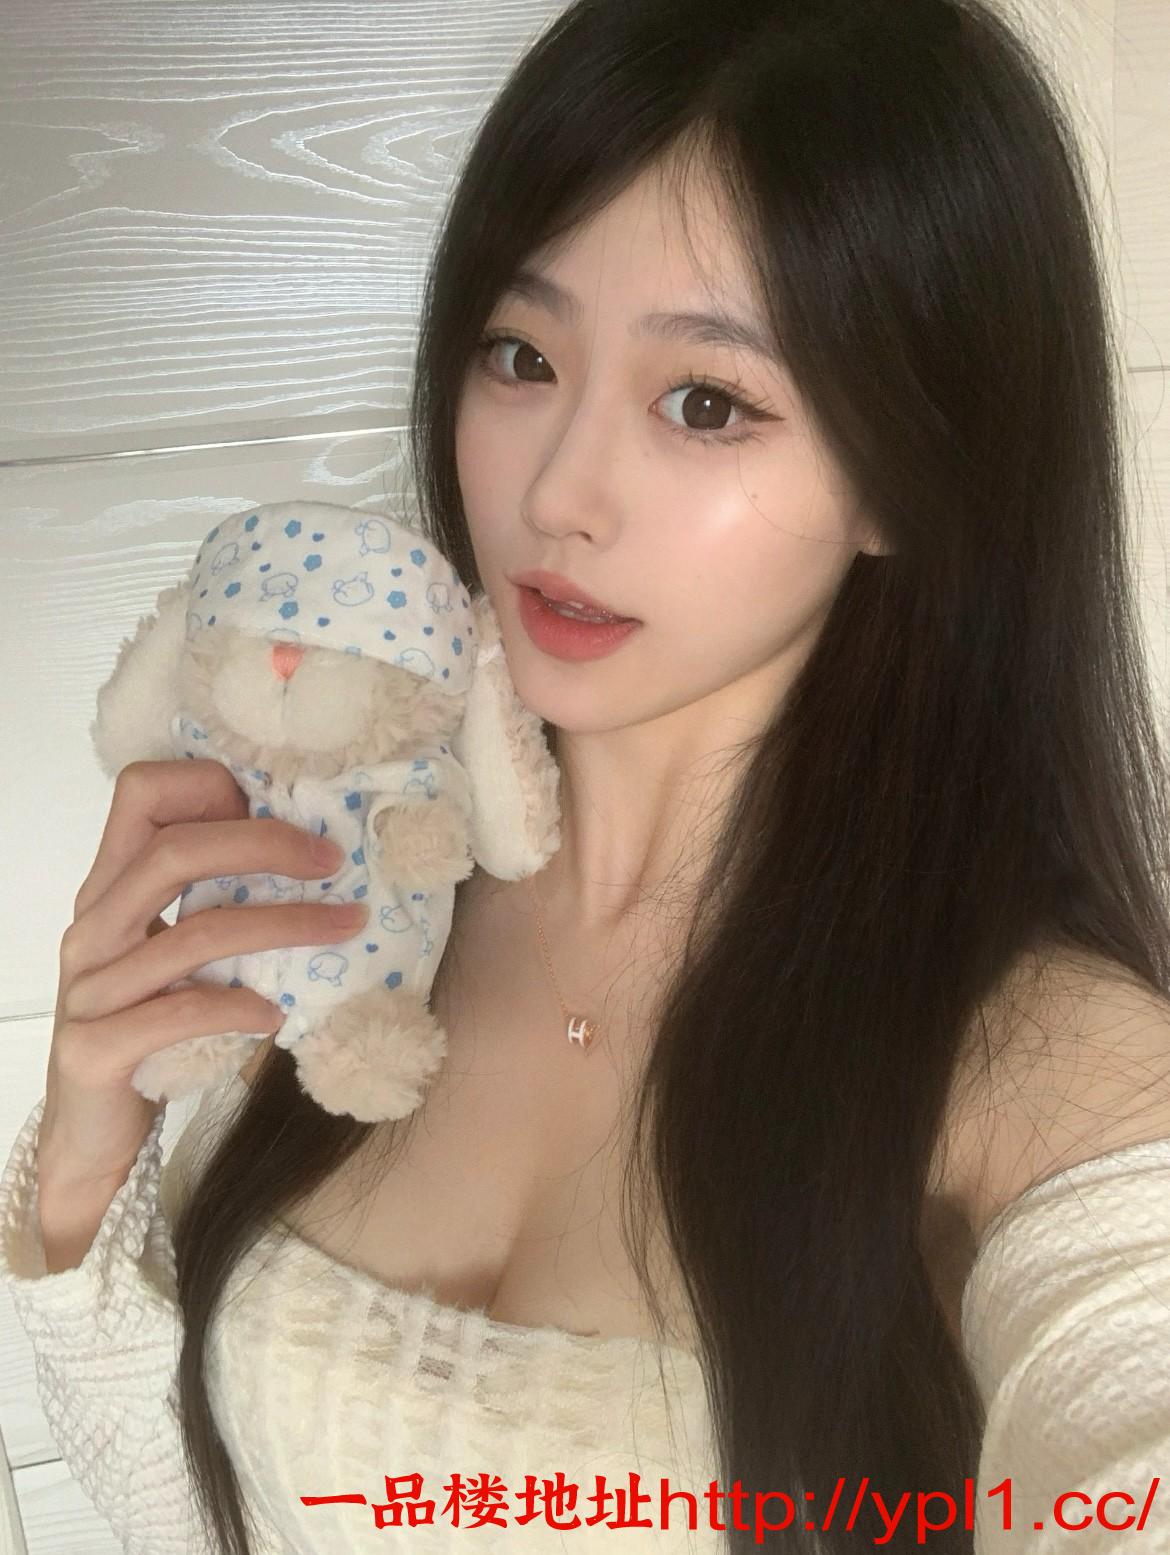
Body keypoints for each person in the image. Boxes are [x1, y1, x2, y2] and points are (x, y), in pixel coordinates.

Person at [3, 0, 1170, 1551]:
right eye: (520, 354)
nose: (557, 494)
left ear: (909, 468)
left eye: (706, 402)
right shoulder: (341, 874)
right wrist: (82, 1175)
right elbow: (211, 1514)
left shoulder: (1036, 1061)